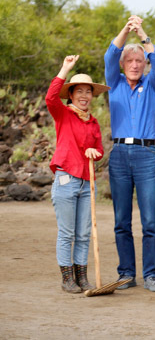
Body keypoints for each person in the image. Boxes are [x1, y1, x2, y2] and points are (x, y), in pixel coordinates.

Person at [104, 15, 155, 291]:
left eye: (139, 61)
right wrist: (125, 30)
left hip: (145, 155)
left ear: (144, 65)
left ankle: (152, 274)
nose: (134, 65)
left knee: (150, 220)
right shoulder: (114, 82)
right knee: (121, 220)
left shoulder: (152, 84)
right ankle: (126, 273)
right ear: (123, 65)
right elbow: (110, 53)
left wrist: (142, 34)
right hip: (118, 154)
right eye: (129, 61)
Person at [46, 55, 108, 293]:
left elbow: (100, 149)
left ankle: (82, 278)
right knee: (67, 232)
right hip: (66, 179)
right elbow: (50, 97)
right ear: (70, 95)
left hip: (86, 182)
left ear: (92, 96)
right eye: (78, 91)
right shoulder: (62, 114)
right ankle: (67, 279)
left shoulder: (93, 123)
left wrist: (95, 152)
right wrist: (65, 68)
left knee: (83, 233)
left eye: (88, 92)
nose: (84, 96)